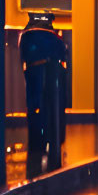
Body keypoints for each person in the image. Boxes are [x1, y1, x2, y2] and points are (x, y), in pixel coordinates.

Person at [19, 11, 70, 174]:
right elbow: (63, 53)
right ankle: (52, 150)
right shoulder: (54, 39)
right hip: (52, 79)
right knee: (52, 113)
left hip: (36, 77)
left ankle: (37, 149)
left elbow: (24, 57)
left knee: (36, 111)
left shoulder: (28, 37)